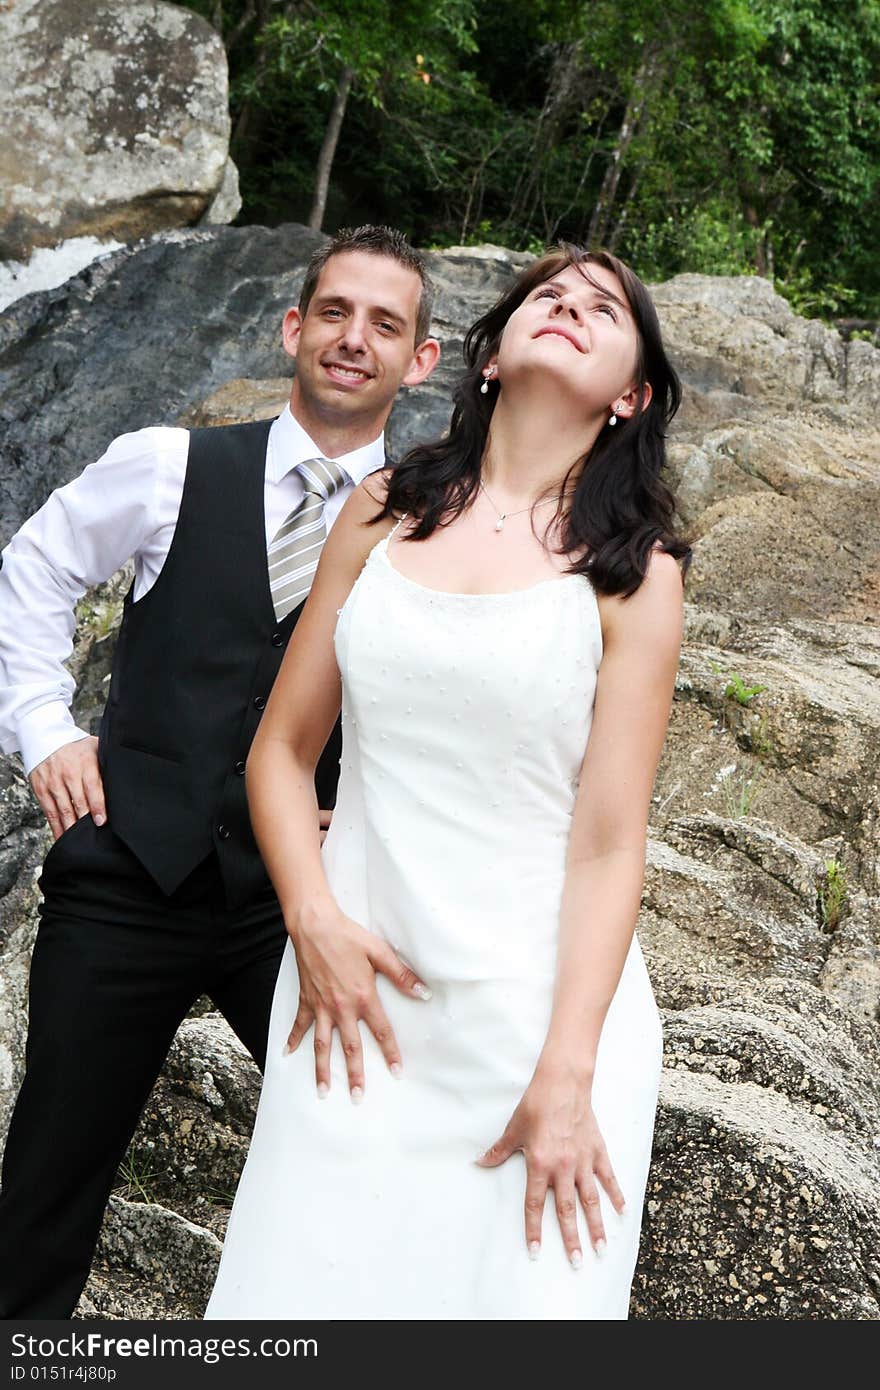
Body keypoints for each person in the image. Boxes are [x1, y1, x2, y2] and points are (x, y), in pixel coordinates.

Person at [204, 245, 690, 1321]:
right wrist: (312, 919)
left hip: (538, 1026)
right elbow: (280, 753)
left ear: (631, 392)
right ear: (487, 354)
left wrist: (569, 1071)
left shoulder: (634, 572)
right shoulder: (383, 507)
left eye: (600, 308)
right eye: (546, 296)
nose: (566, 306)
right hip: (350, 999)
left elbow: (609, 841)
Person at [0, 224, 441, 1319]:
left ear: (420, 360)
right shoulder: (166, 462)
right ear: (294, 328)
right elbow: (32, 574)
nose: (354, 338)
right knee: (47, 1184)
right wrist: (47, 729)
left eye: (385, 324)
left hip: (292, 908)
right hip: (123, 878)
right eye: (334, 312)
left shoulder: (425, 527)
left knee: (373, 1144)